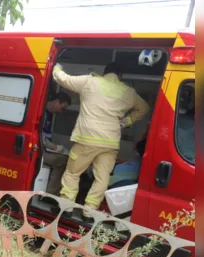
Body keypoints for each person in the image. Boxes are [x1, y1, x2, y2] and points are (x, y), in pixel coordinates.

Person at [52, 62, 150, 218]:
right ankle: (89, 212)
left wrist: (57, 67)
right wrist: (126, 121)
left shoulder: (89, 81)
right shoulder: (128, 92)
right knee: (102, 178)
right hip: (110, 143)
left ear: (105, 73)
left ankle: (66, 208)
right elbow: (144, 108)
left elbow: (63, 79)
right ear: (120, 76)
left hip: (86, 139)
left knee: (72, 173)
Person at [41, 92, 72, 195]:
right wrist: (53, 147)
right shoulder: (42, 112)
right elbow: (39, 137)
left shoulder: (49, 114)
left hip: (43, 148)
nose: (60, 111)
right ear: (56, 102)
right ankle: (51, 194)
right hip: (37, 150)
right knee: (63, 161)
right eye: (61, 108)